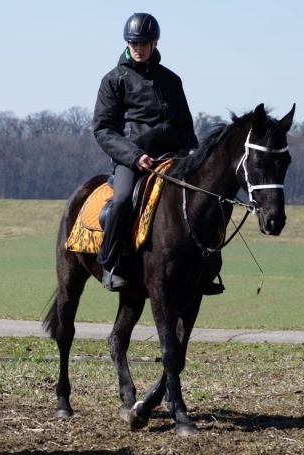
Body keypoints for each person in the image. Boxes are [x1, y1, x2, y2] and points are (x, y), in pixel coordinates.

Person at [93, 13, 205, 291]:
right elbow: (103, 129)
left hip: (173, 157)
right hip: (132, 159)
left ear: (154, 43)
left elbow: (185, 126)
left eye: (143, 43)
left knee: (205, 196)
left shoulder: (171, 80)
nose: (138, 48)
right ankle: (110, 263)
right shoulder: (113, 80)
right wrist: (133, 156)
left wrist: (194, 153)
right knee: (120, 201)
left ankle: (206, 266)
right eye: (133, 43)